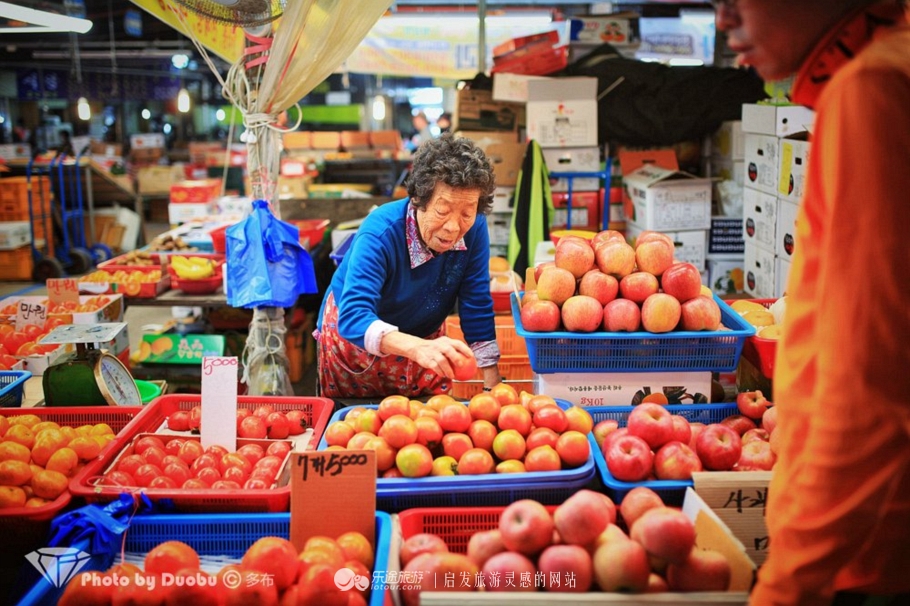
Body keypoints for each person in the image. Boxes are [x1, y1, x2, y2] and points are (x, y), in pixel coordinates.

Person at [714, 1, 910, 605]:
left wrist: (791, 580)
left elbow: (869, 390)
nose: (723, 20)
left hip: (868, 555)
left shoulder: (872, 90)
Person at [315, 133, 503, 399]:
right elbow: (355, 316)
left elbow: (476, 300)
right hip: (359, 344)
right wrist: (415, 348)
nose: (453, 227)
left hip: (424, 340)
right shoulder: (380, 232)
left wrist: (492, 380)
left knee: (427, 427)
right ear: (419, 199)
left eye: (466, 213)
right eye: (442, 210)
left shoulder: (474, 228)